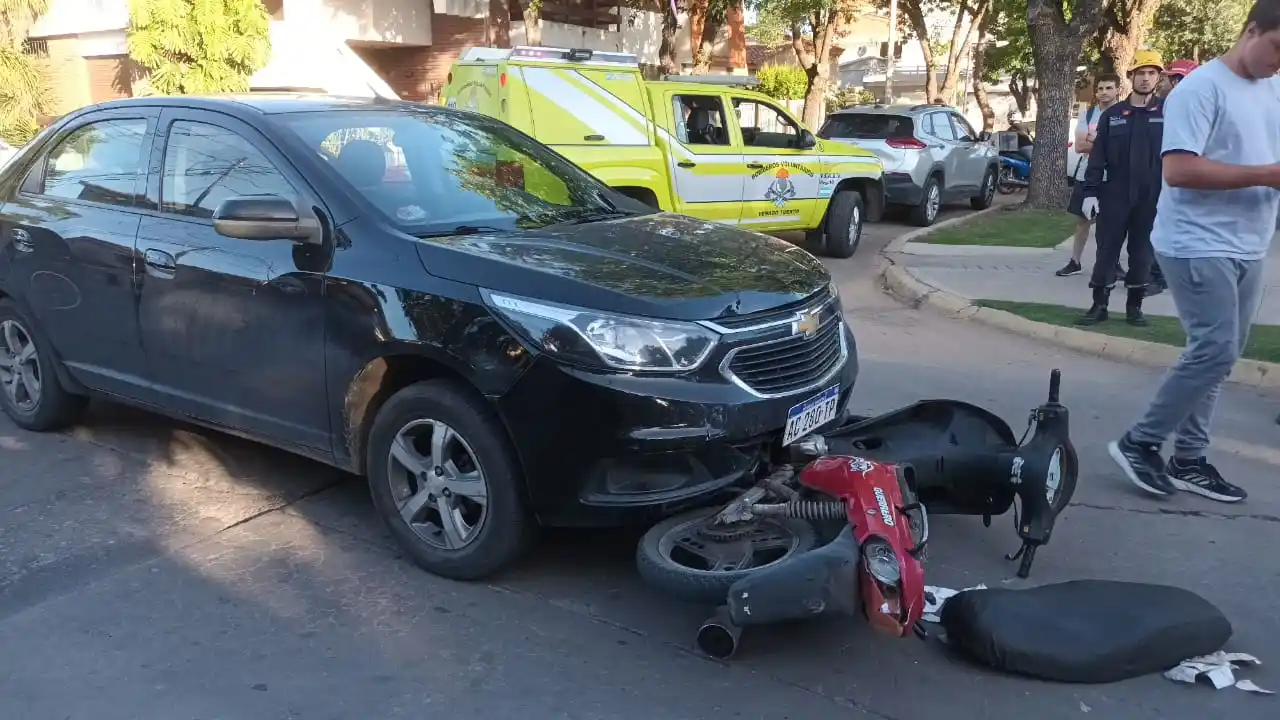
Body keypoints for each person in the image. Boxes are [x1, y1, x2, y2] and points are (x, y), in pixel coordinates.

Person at [1108, 1, 1280, 504]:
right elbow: (1179, 170)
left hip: (1250, 244)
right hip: (1196, 242)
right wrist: (1268, 176)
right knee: (1216, 349)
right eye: (1276, 48)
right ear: (1251, 29)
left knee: (1217, 358)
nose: (1279, 63)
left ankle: (1189, 459)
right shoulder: (1200, 89)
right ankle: (1139, 443)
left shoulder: (1272, 87)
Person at [1074, 50, 1166, 328]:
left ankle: (1134, 308)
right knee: (1107, 251)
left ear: (1158, 78)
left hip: (1150, 196)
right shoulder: (1113, 115)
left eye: (1152, 73)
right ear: (1131, 77)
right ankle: (1098, 305)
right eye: (1141, 73)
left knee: (1141, 253)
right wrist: (1090, 191)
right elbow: (1097, 156)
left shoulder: (1166, 113)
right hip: (1115, 194)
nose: (1146, 78)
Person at [1056, 73, 1122, 277]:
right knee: (1083, 220)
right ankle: (1075, 262)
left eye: (1109, 88)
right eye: (1101, 88)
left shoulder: (1124, 114)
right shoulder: (1088, 114)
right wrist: (1105, 142)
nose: (1104, 92)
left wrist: (1096, 141)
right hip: (1088, 175)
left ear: (1117, 90)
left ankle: (1113, 264)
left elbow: (1123, 149)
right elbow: (1079, 145)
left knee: (1112, 223)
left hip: (1114, 177)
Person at [1145, 59, 1201, 296]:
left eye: (1177, 78)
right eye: (1172, 78)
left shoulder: (1196, 107)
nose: (1172, 82)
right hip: (1161, 174)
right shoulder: (1163, 106)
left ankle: (1165, 276)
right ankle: (1159, 275)